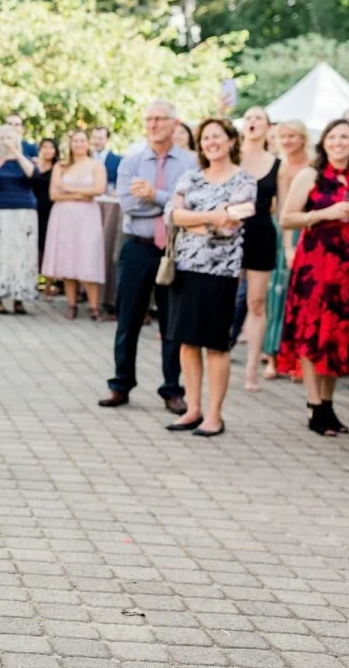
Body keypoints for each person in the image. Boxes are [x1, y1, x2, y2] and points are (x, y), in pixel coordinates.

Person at [278, 118, 349, 436]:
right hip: (316, 265)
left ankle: (328, 402)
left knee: (338, 335)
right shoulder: (310, 174)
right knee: (312, 333)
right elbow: (287, 219)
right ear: (324, 142)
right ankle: (314, 405)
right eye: (332, 137)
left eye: (344, 137)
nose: (338, 142)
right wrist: (324, 213)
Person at [100, 101, 196, 413]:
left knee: (173, 323)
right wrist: (170, 203)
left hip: (175, 249)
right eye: (149, 119)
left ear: (175, 123)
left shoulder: (190, 163)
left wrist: (154, 195)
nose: (153, 124)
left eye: (160, 119)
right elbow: (129, 204)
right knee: (128, 320)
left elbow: (191, 205)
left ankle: (172, 390)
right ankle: (120, 385)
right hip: (138, 246)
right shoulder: (132, 161)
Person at [163, 118, 256, 437]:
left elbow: (233, 223)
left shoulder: (245, 181)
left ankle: (214, 415)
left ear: (231, 141)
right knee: (186, 341)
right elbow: (171, 215)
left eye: (217, 136)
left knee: (216, 344)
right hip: (186, 269)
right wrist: (210, 217)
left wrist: (195, 221)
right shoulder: (190, 177)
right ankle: (193, 408)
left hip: (221, 273)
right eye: (205, 138)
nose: (210, 142)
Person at [0, 118, 40, 314]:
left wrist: (17, 155)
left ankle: (19, 297)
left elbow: (34, 176)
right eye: (2, 137)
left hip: (23, 212)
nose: (5, 141)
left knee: (21, 255)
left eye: (9, 137)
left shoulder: (25, 158)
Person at [42, 128, 108, 320]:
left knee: (88, 256)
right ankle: (71, 304)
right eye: (75, 141)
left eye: (82, 140)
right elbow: (54, 194)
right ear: (70, 144)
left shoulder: (96, 165)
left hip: (87, 216)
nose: (79, 144)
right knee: (68, 257)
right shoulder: (60, 166)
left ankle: (94, 306)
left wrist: (69, 189)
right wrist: (82, 194)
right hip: (64, 216)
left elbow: (99, 189)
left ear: (87, 144)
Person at [263, 119, 311, 380]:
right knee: (277, 296)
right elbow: (283, 210)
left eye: (293, 135)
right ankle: (272, 356)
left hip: (309, 231)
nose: (288, 140)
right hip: (284, 233)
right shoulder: (280, 169)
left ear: (303, 138)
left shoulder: (313, 166)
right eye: (284, 136)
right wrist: (287, 246)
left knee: (302, 298)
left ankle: (298, 359)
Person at [237, 106, 280, 391]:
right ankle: (217, 354)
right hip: (228, 233)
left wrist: (288, 246)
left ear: (267, 126)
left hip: (261, 233)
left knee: (256, 302)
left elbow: (282, 208)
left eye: (259, 119)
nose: (253, 122)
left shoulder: (277, 163)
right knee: (223, 298)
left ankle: (251, 368)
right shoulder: (230, 157)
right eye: (248, 118)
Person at [30, 137, 58, 283]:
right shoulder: (32, 166)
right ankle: (32, 277)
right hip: (32, 209)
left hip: (50, 210)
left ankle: (49, 283)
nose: (47, 150)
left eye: (51, 147)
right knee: (33, 244)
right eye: (44, 147)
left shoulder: (58, 168)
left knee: (48, 244)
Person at [91, 125, 121, 189]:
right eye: (94, 138)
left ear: (107, 140)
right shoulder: (86, 157)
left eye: (100, 138)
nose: (97, 141)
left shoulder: (117, 160)